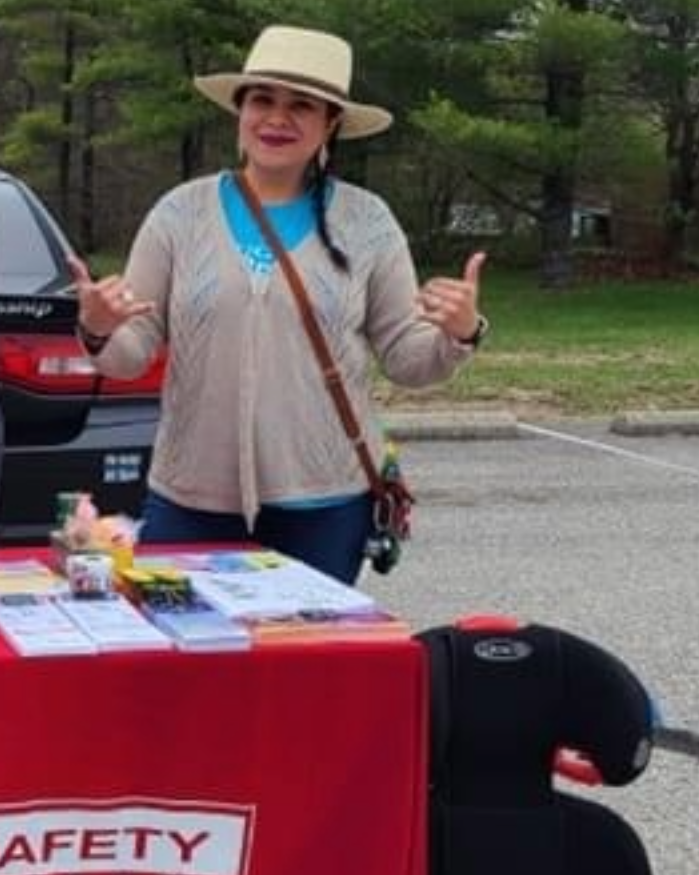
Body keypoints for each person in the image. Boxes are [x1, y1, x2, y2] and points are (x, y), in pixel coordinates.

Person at [68, 24, 487, 583]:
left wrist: (457, 333)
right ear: (239, 111)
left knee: (305, 667)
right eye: (262, 99)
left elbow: (407, 361)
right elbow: (130, 353)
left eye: (301, 106)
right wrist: (98, 328)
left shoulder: (368, 222)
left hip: (326, 503)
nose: (276, 118)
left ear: (330, 124)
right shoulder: (179, 214)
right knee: (187, 662)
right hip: (191, 497)